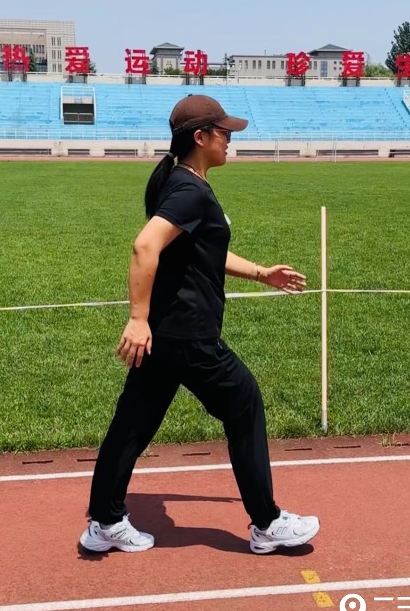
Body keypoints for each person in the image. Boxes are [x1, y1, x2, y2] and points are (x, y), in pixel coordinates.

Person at [79, 94, 320, 555]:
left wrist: (260, 273)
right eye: (224, 132)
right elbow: (144, 246)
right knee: (244, 402)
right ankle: (267, 522)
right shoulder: (189, 190)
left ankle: (105, 521)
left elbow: (201, 251)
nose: (230, 140)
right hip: (187, 334)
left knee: (132, 425)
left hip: (167, 334)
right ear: (200, 137)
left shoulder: (179, 181)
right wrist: (137, 318)